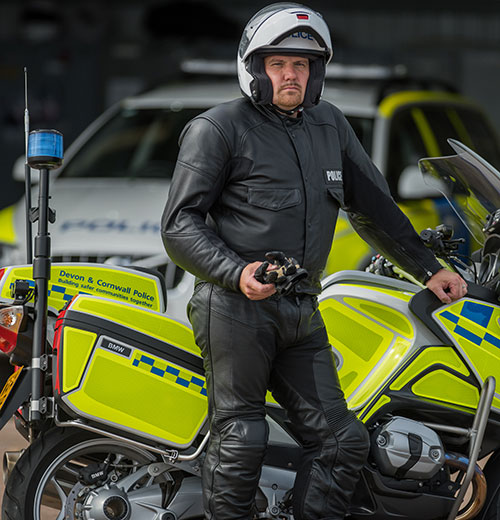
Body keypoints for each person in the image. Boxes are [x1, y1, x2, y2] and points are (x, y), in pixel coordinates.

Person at [161, 3, 467, 519]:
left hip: (300, 309)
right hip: (234, 308)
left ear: (316, 72)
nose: (291, 74)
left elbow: (375, 208)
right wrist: (237, 272)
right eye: (278, 63)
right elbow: (178, 224)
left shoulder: (330, 126)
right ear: (255, 68)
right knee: (242, 436)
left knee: (342, 441)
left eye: (301, 65)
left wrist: (428, 268)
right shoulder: (217, 128)